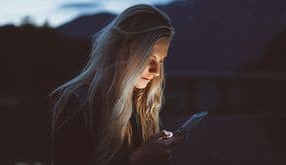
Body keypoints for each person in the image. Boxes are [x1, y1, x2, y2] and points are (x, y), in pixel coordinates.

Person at [49, 4, 186, 165]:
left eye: (161, 61)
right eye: (149, 58)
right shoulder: (77, 104)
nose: (156, 71)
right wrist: (137, 160)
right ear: (120, 49)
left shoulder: (140, 106)